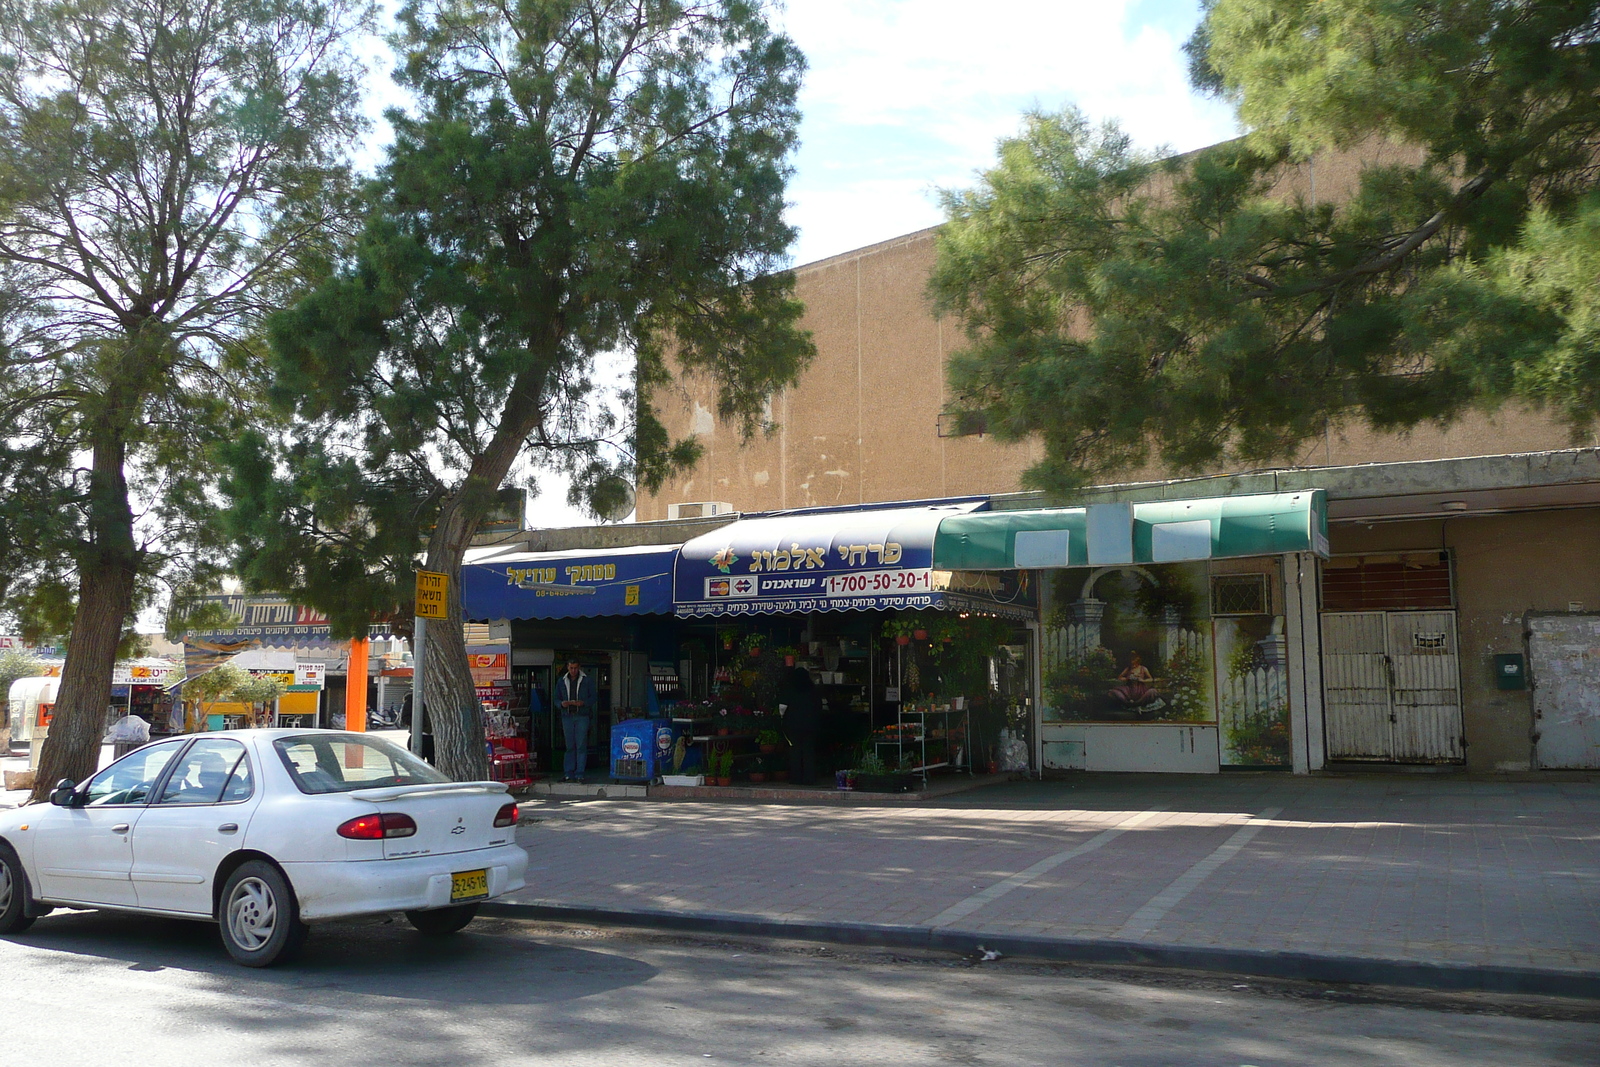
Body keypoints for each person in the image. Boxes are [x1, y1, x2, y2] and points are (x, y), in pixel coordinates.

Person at [556, 658, 596, 782]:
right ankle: (569, 773)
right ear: (567, 667)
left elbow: (594, 697)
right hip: (567, 716)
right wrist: (562, 704)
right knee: (569, 746)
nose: (573, 670)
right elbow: (556, 698)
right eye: (571, 668)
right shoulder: (561, 681)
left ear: (579, 668)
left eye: (575, 668)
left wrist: (583, 703)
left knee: (581, 745)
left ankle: (580, 773)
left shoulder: (587, 680)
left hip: (582, 715)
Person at [778, 666, 820, 785]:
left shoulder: (789, 688)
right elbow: (819, 706)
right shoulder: (813, 690)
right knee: (809, 751)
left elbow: (782, 708)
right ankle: (809, 778)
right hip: (810, 725)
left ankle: (796, 778)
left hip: (793, 725)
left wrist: (782, 718)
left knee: (795, 751)